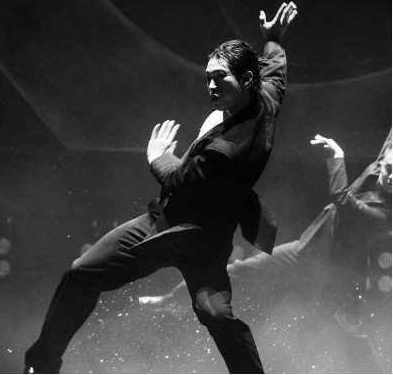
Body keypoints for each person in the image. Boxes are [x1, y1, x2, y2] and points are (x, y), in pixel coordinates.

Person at [23, 2, 298, 374]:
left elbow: (180, 180)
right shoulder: (265, 97)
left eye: (220, 78)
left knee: (216, 315)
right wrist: (274, 39)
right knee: (81, 274)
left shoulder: (229, 150)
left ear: (247, 79)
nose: (211, 86)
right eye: (208, 77)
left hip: (198, 238)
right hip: (174, 224)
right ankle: (41, 366)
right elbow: (276, 70)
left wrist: (157, 156)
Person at [139, 130, 392, 371]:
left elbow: (342, 198)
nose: (389, 177)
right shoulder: (380, 165)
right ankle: (172, 299)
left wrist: (337, 156)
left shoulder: (386, 216)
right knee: (237, 270)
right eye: (389, 168)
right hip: (307, 250)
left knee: (347, 334)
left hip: (333, 273)